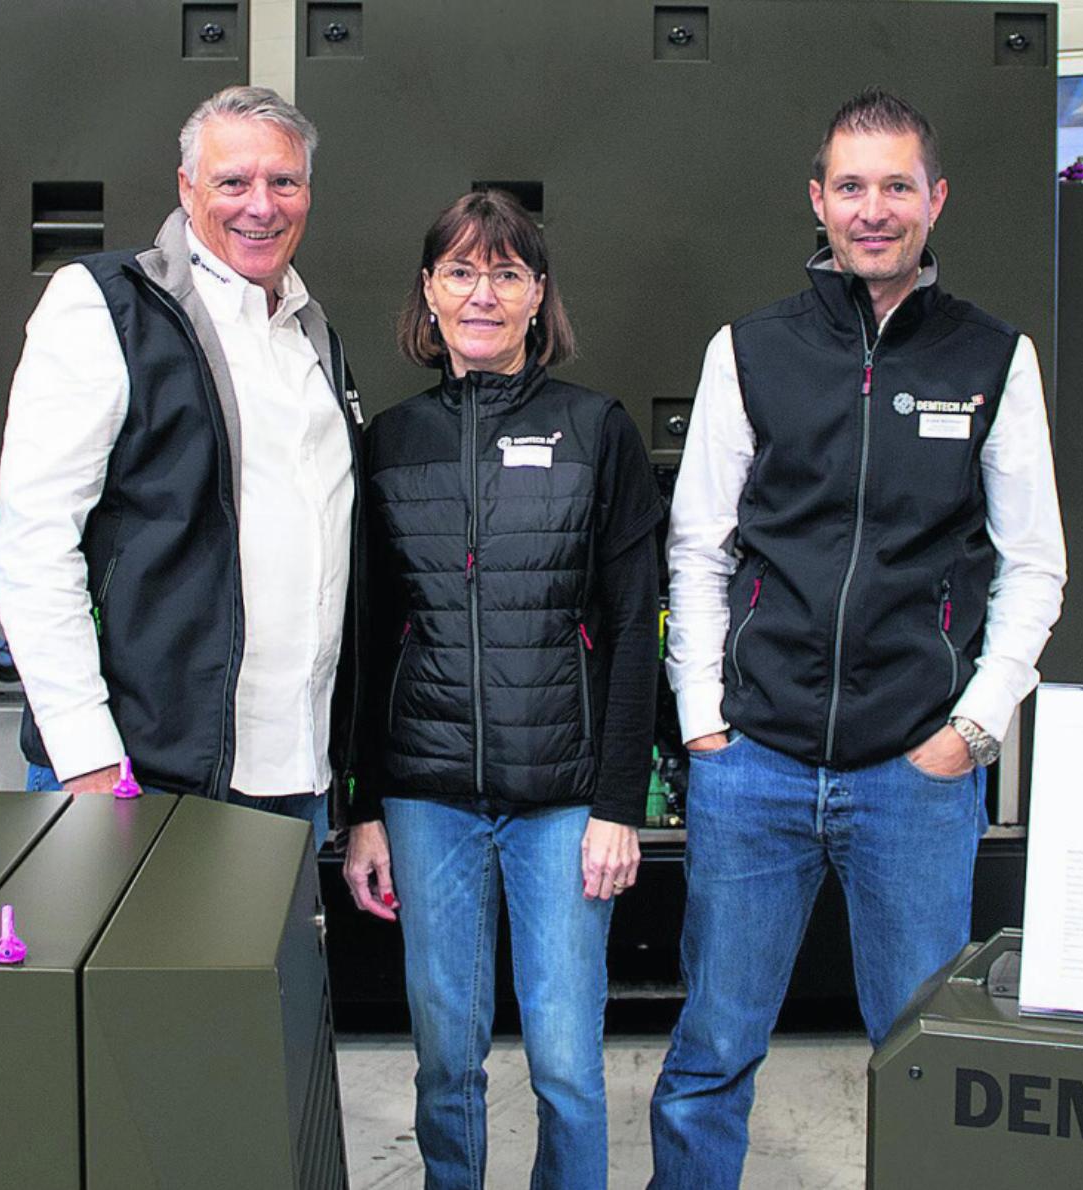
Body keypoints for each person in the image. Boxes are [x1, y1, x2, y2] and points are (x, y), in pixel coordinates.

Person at [650, 88, 1067, 1185]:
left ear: (935, 199)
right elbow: (700, 549)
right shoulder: (750, 350)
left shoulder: (993, 359)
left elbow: (1034, 566)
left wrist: (970, 732)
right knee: (710, 1051)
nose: (872, 208)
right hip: (757, 767)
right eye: (850, 185)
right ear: (818, 201)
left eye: (895, 185)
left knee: (926, 1059)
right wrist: (703, 724)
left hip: (913, 777)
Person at [342, 189, 662, 1190]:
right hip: (427, 797)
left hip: (563, 802)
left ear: (538, 297)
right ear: (428, 292)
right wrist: (364, 809)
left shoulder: (595, 429)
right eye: (461, 271)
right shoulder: (387, 443)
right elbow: (362, 636)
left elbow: (634, 630)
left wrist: (619, 803)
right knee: (447, 1060)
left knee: (566, 1063)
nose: (483, 293)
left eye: (508, 273)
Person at [0, 86, 361, 847]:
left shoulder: (311, 335)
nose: (260, 205)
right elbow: (33, 541)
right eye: (233, 182)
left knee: (278, 973)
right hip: (140, 775)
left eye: (283, 182)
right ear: (187, 188)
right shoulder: (106, 306)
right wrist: (85, 754)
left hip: (293, 776)